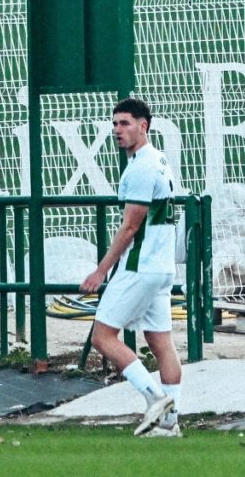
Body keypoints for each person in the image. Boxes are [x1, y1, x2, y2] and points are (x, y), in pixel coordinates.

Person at [80, 97, 182, 437]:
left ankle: (155, 399)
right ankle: (170, 424)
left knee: (103, 335)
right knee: (160, 342)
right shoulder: (157, 160)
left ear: (144, 126)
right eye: (115, 124)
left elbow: (130, 227)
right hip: (162, 266)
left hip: (141, 266)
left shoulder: (140, 167)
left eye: (125, 123)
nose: (117, 130)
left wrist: (101, 271)